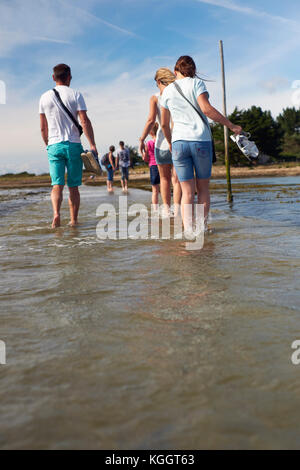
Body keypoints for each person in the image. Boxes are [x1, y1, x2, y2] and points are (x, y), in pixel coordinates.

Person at [160, 55, 242, 232]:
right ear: (193, 70)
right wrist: (231, 125)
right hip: (200, 141)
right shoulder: (197, 83)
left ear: (175, 72)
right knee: (203, 188)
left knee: (186, 191)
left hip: (178, 143)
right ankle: (202, 228)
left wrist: (170, 141)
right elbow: (206, 109)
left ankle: (189, 231)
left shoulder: (167, 91)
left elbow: (164, 124)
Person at [39, 63, 98, 228]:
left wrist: (48, 144)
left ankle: (56, 214)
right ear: (69, 77)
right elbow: (84, 121)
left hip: (54, 145)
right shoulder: (76, 95)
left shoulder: (44, 97)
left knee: (57, 184)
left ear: (53, 77)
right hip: (73, 144)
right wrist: (92, 144)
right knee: (73, 186)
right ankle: (73, 220)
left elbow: (43, 127)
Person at [139, 68, 181, 217]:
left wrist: (142, 139)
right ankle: (177, 211)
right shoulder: (177, 94)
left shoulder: (155, 98)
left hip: (161, 143)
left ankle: (166, 210)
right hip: (177, 141)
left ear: (158, 81)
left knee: (164, 179)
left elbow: (151, 120)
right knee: (176, 180)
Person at [142, 123, 160, 210]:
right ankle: (166, 208)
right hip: (163, 165)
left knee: (155, 190)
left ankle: (155, 209)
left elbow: (146, 158)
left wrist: (142, 153)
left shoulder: (149, 143)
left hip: (153, 166)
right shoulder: (161, 141)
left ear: (150, 132)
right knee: (164, 187)